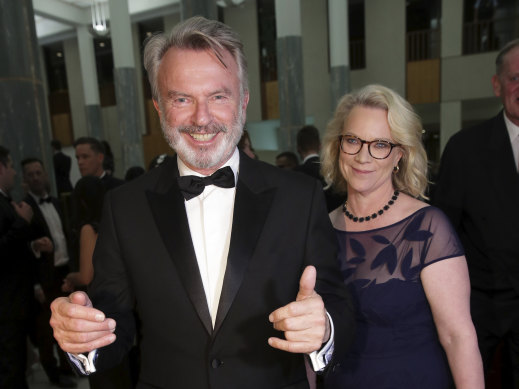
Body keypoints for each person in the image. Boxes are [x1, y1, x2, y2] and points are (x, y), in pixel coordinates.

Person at [49, 16, 354, 389]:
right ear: (159, 107)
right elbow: (114, 321)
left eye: (218, 96)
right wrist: (84, 336)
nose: (202, 119)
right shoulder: (124, 206)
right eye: (182, 99)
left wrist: (324, 329)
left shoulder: (300, 197)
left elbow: (335, 301)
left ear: (242, 102)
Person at [321, 84, 484, 389]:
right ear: (337, 145)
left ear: (399, 155)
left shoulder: (426, 227)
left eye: (380, 144)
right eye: (353, 140)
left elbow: (458, 337)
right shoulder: (320, 228)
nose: (362, 156)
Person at [433, 39, 519, 387]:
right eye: (516, 78)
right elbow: (443, 231)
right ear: (497, 84)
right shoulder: (465, 148)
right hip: (477, 306)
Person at [21, 157, 77, 388]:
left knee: (68, 323)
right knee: (46, 327)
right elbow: (22, 248)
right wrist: (35, 284)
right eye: (30, 174)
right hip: (43, 276)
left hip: (64, 271)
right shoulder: (24, 208)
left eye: (38, 172)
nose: (35, 177)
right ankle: (53, 373)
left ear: (45, 175)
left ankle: (68, 366)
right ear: (24, 180)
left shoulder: (55, 202)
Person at [0, 146, 35, 389]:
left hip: (15, 300)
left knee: (18, 364)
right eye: (11, 166)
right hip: (6, 303)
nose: (14, 172)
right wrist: (22, 223)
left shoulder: (6, 200)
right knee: (11, 367)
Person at [61, 176, 105, 293]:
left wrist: (70, 277)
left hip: (99, 296)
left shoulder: (89, 229)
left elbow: (85, 277)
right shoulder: (109, 223)